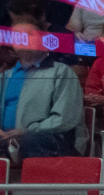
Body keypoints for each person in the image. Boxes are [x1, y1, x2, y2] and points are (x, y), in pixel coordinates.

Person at [1, 12, 85, 158]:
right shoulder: (4, 77)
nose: (23, 38)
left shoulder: (61, 72)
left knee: (32, 140)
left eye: (29, 34)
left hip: (52, 139)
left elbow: (66, 118)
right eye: (17, 35)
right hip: (8, 141)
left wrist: (26, 131)